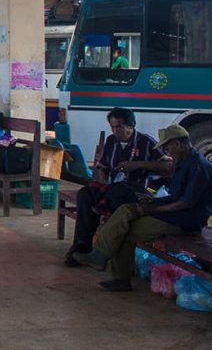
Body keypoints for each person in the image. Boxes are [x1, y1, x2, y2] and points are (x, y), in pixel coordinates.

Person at [73, 124, 212, 291]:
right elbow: (175, 197)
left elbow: (186, 203)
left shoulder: (198, 165)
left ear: (178, 144)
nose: (167, 152)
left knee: (125, 230)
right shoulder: (183, 161)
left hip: (184, 220)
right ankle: (102, 259)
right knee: (126, 210)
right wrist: (151, 202)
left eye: (168, 147)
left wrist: (150, 210)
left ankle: (114, 271)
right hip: (174, 212)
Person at [64, 107, 172, 266]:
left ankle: (105, 251)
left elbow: (168, 165)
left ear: (131, 125)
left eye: (119, 126)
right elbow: (103, 167)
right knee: (85, 194)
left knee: (117, 194)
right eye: (112, 127)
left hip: (137, 191)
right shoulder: (111, 141)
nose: (116, 131)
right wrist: (100, 177)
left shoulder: (145, 142)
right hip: (112, 189)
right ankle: (82, 245)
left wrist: (137, 164)